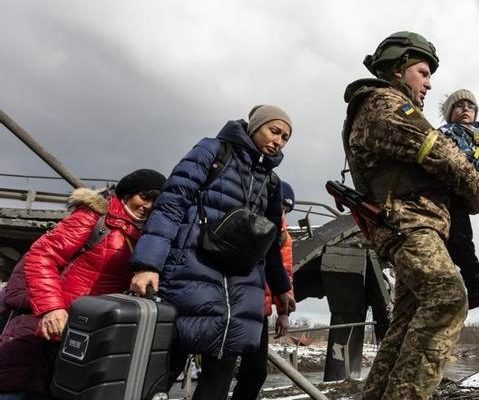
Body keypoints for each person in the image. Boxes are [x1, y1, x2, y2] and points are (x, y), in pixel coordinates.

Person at [342, 31, 479, 399]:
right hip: (408, 224)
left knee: (405, 324)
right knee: (448, 298)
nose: (429, 83)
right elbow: (444, 155)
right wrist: (475, 189)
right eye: (422, 72)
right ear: (398, 69)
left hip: (412, 225)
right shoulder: (384, 103)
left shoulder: (384, 106)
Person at [129, 105, 295, 400]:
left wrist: (281, 288)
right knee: (163, 369)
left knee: (220, 372)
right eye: (274, 131)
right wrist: (148, 264)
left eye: (285, 137)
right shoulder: (213, 151)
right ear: (256, 126)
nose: (278, 141)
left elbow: (269, 243)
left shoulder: (272, 183)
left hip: (239, 288)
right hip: (191, 270)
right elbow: (172, 204)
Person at [0, 169, 166, 399]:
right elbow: (42, 255)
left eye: (155, 202)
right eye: (144, 197)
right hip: (56, 327)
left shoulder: (149, 236)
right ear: (127, 194)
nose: (147, 206)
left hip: (92, 334)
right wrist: (52, 308)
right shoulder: (95, 218)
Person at [230, 180, 295, 400]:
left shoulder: (284, 238)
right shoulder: (249, 219)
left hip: (261, 309)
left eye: (287, 208)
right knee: (221, 368)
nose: (283, 211)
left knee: (256, 372)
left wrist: (284, 312)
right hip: (235, 300)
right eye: (281, 206)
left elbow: (284, 272)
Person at [437, 88, 479, 309]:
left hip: (464, 192)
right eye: (459, 105)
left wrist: (470, 174)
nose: (465, 109)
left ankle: (478, 290)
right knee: (443, 241)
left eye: (470, 106)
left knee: (461, 240)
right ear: (449, 111)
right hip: (441, 191)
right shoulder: (441, 132)